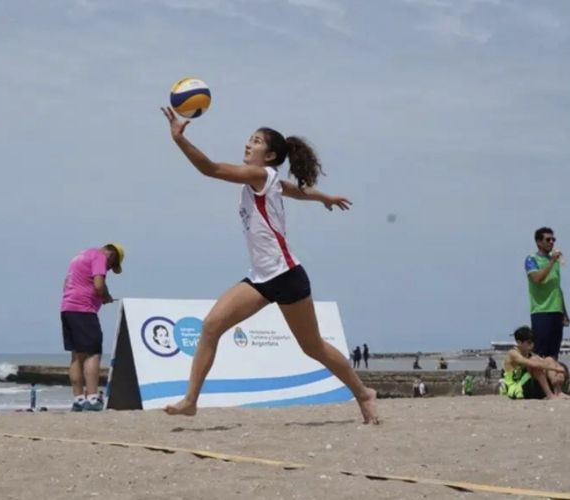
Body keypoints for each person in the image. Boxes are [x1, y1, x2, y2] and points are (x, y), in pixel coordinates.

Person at [159, 107, 379, 424]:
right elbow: (298, 191)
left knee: (313, 346)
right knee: (210, 327)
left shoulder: (260, 175)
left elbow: (209, 168)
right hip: (260, 278)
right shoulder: (269, 180)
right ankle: (191, 400)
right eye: (249, 139)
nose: (248, 144)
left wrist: (179, 139)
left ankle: (363, 393)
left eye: (256, 141)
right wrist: (324, 198)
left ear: (271, 155)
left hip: (287, 275)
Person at [60, 243, 124, 412]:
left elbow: (66, 283)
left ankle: (78, 399)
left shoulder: (80, 255)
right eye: (111, 266)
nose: (108, 269)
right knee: (93, 353)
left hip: (67, 307)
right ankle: (93, 397)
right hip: (84, 310)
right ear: (111, 255)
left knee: (76, 355)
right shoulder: (99, 256)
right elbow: (98, 285)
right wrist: (105, 296)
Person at [525, 227, 569, 359]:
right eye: (548, 239)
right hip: (541, 311)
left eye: (553, 239)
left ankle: (552, 379)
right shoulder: (531, 259)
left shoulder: (555, 263)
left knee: (553, 353)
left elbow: (557, 288)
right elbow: (537, 278)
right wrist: (551, 262)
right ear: (539, 242)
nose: (551, 242)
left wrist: (565, 312)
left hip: (556, 311)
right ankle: (537, 380)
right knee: (540, 353)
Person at [502, 326, 568, 400]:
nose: (532, 345)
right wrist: (555, 368)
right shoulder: (513, 353)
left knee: (549, 359)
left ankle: (558, 391)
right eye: (529, 343)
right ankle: (550, 395)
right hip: (516, 388)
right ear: (519, 342)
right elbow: (532, 364)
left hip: (528, 384)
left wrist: (558, 370)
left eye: (533, 342)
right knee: (536, 363)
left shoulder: (529, 353)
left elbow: (547, 362)